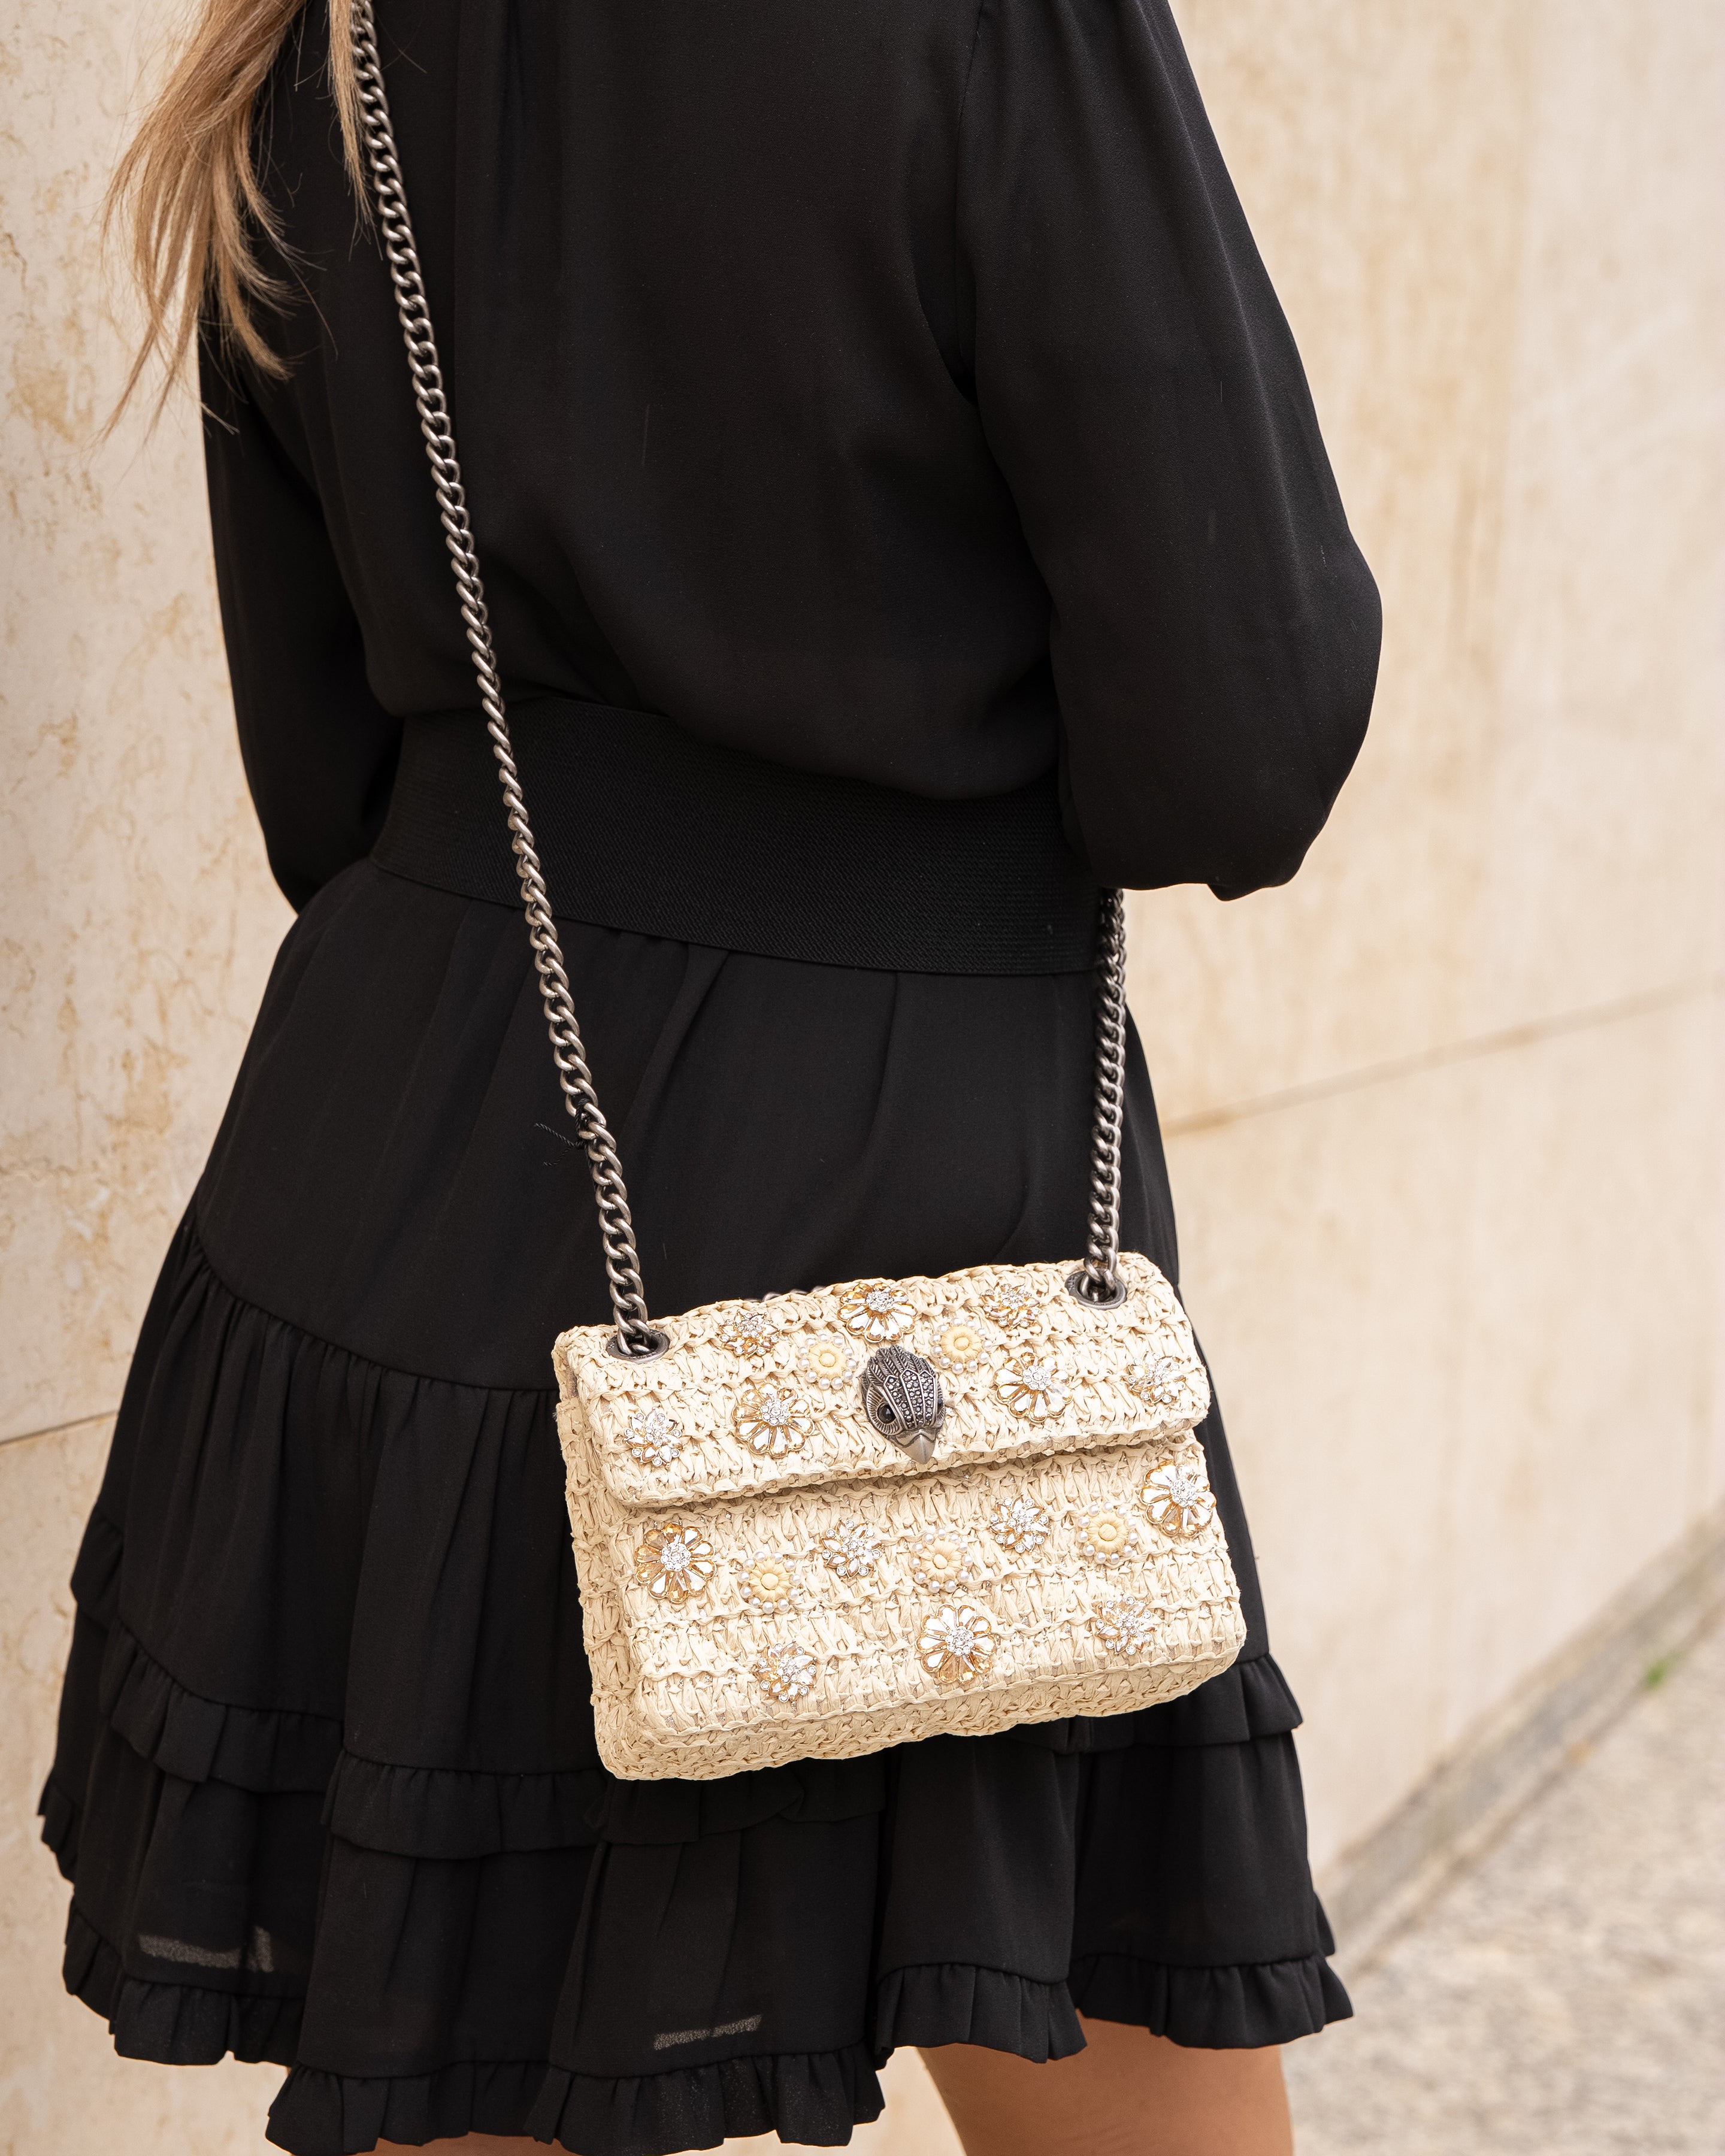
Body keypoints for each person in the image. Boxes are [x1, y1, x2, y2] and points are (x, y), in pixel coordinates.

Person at [43, 0, 1380, 2148]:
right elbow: (1238, 739)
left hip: (417, 1191)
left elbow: (323, 775)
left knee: (467, 2049)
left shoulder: (316, 48)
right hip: (931, 1206)